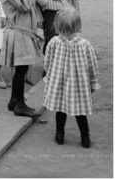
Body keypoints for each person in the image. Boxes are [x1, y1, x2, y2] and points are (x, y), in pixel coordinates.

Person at [42, 8, 99, 148]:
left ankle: (60, 134)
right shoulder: (85, 44)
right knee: (81, 113)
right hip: (79, 86)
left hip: (59, 84)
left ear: (57, 25)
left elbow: (47, 62)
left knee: (60, 110)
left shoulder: (54, 42)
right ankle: (85, 137)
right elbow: (92, 65)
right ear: (78, 24)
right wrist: (93, 82)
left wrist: (49, 76)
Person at [0, 0, 44, 117]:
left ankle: (14, 101)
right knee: (20, 70)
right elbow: (24, 6)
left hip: (26, 32)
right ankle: (19, 105)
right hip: (18, 33)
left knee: (22, 69)